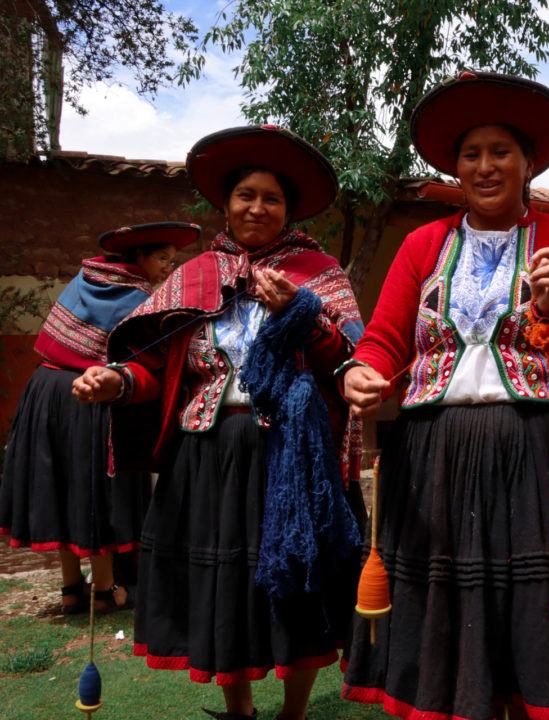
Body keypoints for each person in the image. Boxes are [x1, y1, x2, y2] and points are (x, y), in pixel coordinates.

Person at [340, 71, 549, 720]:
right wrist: (364, 371)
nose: (486, 165)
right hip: (433, 461)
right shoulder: (422, 246)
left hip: (537, 459)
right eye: (471, 153)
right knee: (450, 616)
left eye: (502, 151)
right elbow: (386, 338)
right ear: (455, 166)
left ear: (530, 162)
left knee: (532, 608)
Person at [72, 126, 366, 720]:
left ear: (289, 209)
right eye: (245, 195)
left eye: (271, 198)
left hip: (289, 455)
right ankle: (240, 709)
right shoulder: (196, 276)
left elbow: (349, 360)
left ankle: (294, 711)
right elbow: (161, 368)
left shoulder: (318, 272)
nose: (257, 207)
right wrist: (119, 380)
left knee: (295, 577)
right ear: (225, 205)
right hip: (206, 457)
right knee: (225, 586)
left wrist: (301, 313)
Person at [1, 221, 196, 614]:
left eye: (171, 261)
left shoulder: (84, 279)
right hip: (91, 395)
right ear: (137, 256)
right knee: (97, 491)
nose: (166, 269)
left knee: (61, 487)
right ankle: (106, 592)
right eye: (161, 258)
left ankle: (71, 588)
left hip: (45, 391)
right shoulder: (136, 299)